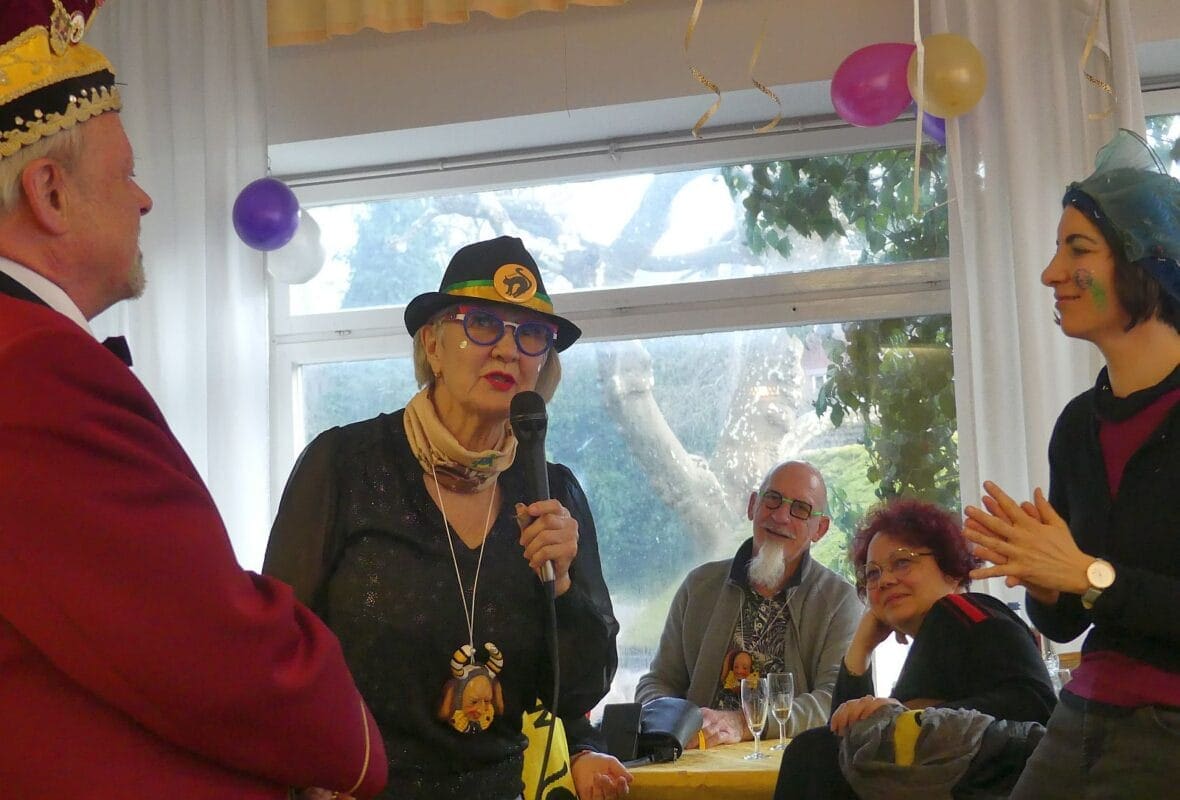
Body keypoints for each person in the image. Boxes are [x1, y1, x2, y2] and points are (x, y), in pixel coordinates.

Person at [0, 2, 384, 797]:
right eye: (125, 174)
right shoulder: (32, 366)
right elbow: (203, 647)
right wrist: (348, 739)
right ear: (50, 193)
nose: (144, 200)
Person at [263, 235, 631, 800]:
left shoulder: (551, 492)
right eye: (482, 323)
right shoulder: (344, 465)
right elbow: (276, 644)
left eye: (532, 334)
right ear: (432, 345)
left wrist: (563, 590)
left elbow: (577, 691)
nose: (508, 350)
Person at [964, 129, 1180, 798]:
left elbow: (1097, 581)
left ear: (1147, 259)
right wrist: (1045, 578)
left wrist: (1086, 573)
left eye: (1078, 249)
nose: (1051, 273)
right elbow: (1064, 624)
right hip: (1082, 714)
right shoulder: (1077, 427)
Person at [774, 499, 1055, 799]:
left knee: (809, 754)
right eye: (873, 573)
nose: (885, 580)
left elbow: (1038, 706)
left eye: (902, 562)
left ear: (950, 569)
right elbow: (849, 743)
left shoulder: (960, 611)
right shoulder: (946, 629)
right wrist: (861, 647)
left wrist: (914, 714)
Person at [635, 460, 862, 746]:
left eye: (800, 509)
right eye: (773, 499)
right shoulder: (699, 586)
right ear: (753, 505)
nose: (781, 516)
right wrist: (672, 724)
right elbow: (658, 682)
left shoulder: (840, 601)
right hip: (697, 754)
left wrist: (744, 722)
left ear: (821, 529)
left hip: (787, 762)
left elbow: (834, 700)